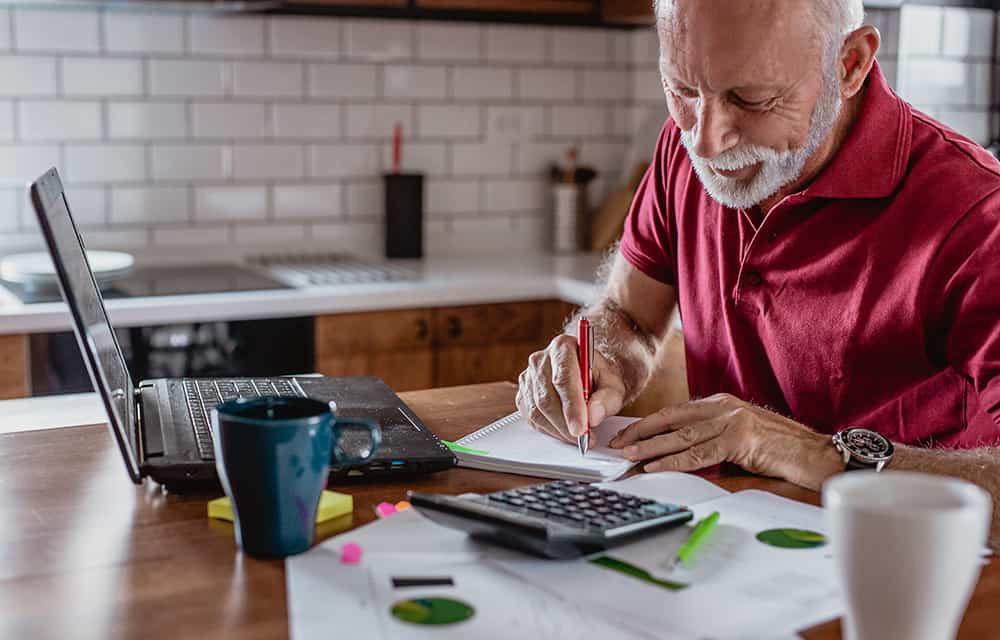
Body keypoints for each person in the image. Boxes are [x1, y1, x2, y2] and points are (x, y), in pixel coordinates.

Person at [517, 0, 1000, 545]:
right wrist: (598, 360)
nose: (705, 139)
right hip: (723, 546)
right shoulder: (685, 153)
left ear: (850, 64)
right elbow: (628, 315)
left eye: (750, 99)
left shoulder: (978, 214)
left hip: (908, 567)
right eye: (681, 90)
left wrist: (814, 453)